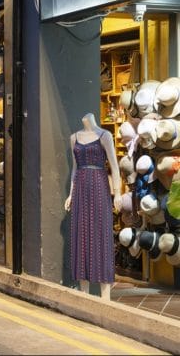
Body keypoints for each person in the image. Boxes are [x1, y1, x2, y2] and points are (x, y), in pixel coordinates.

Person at [64, 113, 122, 300]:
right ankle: (84, 294)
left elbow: (114, 166)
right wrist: (71, 194)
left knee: (101, 234)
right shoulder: (74, 138)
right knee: (81, 235)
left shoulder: (105, 135)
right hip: (80, 188)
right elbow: (74, 168)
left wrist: (118, 193)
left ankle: (106, 296)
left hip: (99, 187)